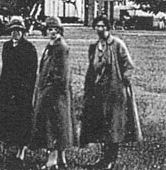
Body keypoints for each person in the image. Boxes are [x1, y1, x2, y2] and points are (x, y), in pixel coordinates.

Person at [80, 15, 142, 170]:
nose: (100, 29)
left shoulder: (117, 44)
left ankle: (110, 160)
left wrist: (124, 82)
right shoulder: (94, 47)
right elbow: (92, 69)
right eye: (97, 26)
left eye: (102, 26)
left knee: (114, 127)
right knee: (101, 126)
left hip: (115, 93)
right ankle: (102, 158)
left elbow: (129, 66)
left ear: (108, 28)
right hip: (99, 93)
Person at [0, 16, 38, 160]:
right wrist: (4, 87)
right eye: (13, 30)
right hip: (5, 86)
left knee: (22, 118)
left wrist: (26, 90)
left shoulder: (29, 48)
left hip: (22, 89)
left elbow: (32, 72)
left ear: (23, 32)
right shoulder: (6, 46)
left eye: (18, 30)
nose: (16, 33)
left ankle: (21, 151)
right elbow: (6, 69)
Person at [31, 16, 76, 170]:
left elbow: (62, 74)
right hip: (49, 90)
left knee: (54, 125)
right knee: (57, 124)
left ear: (60, 31)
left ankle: (52, 160)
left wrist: (50, 89)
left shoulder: (61, 47)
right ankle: (61, 159)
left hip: (55, 93)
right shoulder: (51, 46)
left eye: (55, 30)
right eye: (49, 29)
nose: (52, 32)